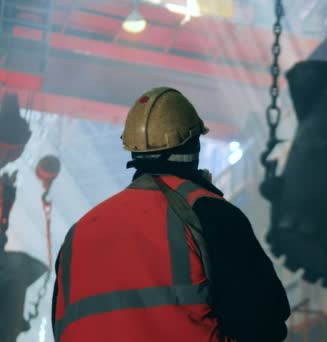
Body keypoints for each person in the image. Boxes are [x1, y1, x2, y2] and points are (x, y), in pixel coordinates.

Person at [51, 87, 290, 341]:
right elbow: (264, 320)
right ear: (194, 144)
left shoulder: (78, 234)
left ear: (133, 149)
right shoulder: (208, 212)